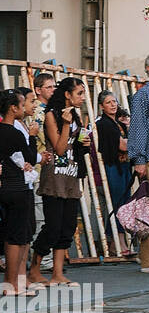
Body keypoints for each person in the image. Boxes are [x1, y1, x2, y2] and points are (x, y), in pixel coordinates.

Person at [28, 77, 89, 286]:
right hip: (54, 177)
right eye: (79, 93)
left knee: (67, 226)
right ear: (67, 94)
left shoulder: (75, 115)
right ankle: (34, 270)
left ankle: (57, 272)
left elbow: (75, 146)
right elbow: (60, 148)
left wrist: (84, 140)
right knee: (52, 227)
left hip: (71, 176)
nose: (82, 97)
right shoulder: (52, 116)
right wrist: (65, 124)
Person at [1, 90, 39, 296]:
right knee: (18, 236)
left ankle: (13, 281)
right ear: (13, 108)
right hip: (17, 187)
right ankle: (12, 283)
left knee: (10, 235)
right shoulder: (14, 133)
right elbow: (31, 158)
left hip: (5, 187)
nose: (25, 108)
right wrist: (32, 137)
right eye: (22, 104)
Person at [95, 90, 132, 211]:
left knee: (126, 202)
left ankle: (119, 229)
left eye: (114, 101)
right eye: (108, 102)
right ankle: (116, 230)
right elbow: (123, 146)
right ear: (101, 106)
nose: (113, 105)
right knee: (119, 204)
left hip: (125, 165)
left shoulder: (117, 123)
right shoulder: (104, 123)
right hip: (114, 167)